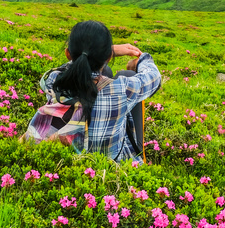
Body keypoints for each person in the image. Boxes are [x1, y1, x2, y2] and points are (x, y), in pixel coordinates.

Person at [31, 20, 161, 163]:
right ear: (109, 57)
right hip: (110, 166)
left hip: (67, 161)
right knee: (127, 75)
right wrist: (141, 60)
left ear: (68, 54)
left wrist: (100, 52)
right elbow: (154, 77)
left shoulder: (53, 79)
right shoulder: (122, 90)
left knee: (105, 72)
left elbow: (74, 67)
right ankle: (138, 155)